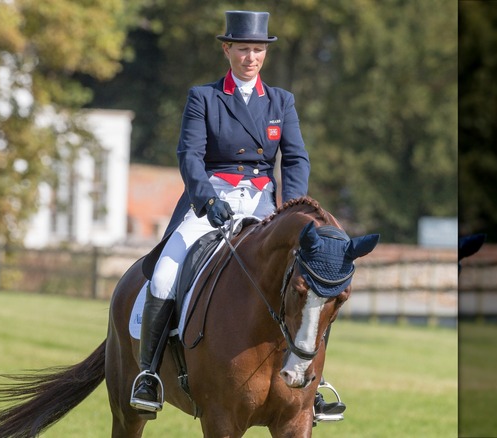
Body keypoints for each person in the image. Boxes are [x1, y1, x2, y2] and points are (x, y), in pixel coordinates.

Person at [130, 10, 344, 421]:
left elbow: (295, 158)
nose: (251, 57)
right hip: (212, 198)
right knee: (163, 273)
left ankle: (312, 386)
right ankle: (148, 374)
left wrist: (291, 209)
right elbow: (189, 155)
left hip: (265, 203)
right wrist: (206, 199)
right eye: (243, 48)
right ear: (227, 49)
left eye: (258, 50)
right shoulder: (204, 97)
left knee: (310, 282)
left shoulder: (281, 101)